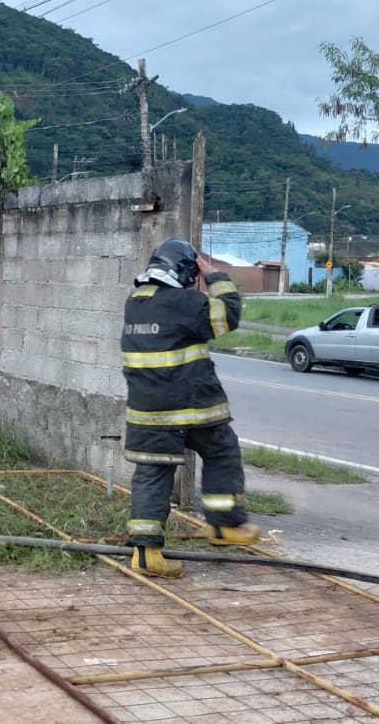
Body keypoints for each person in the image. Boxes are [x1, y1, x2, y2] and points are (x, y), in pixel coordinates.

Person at [120, 237, 260, 578]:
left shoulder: (136, 301)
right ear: (185, 271)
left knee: (153, 473)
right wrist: (214, 275)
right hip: (192, 408)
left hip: (147, 411)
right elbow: (228, 315)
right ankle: (224, 526)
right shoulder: (184, 302)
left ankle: (145, 553)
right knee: (223, 452)